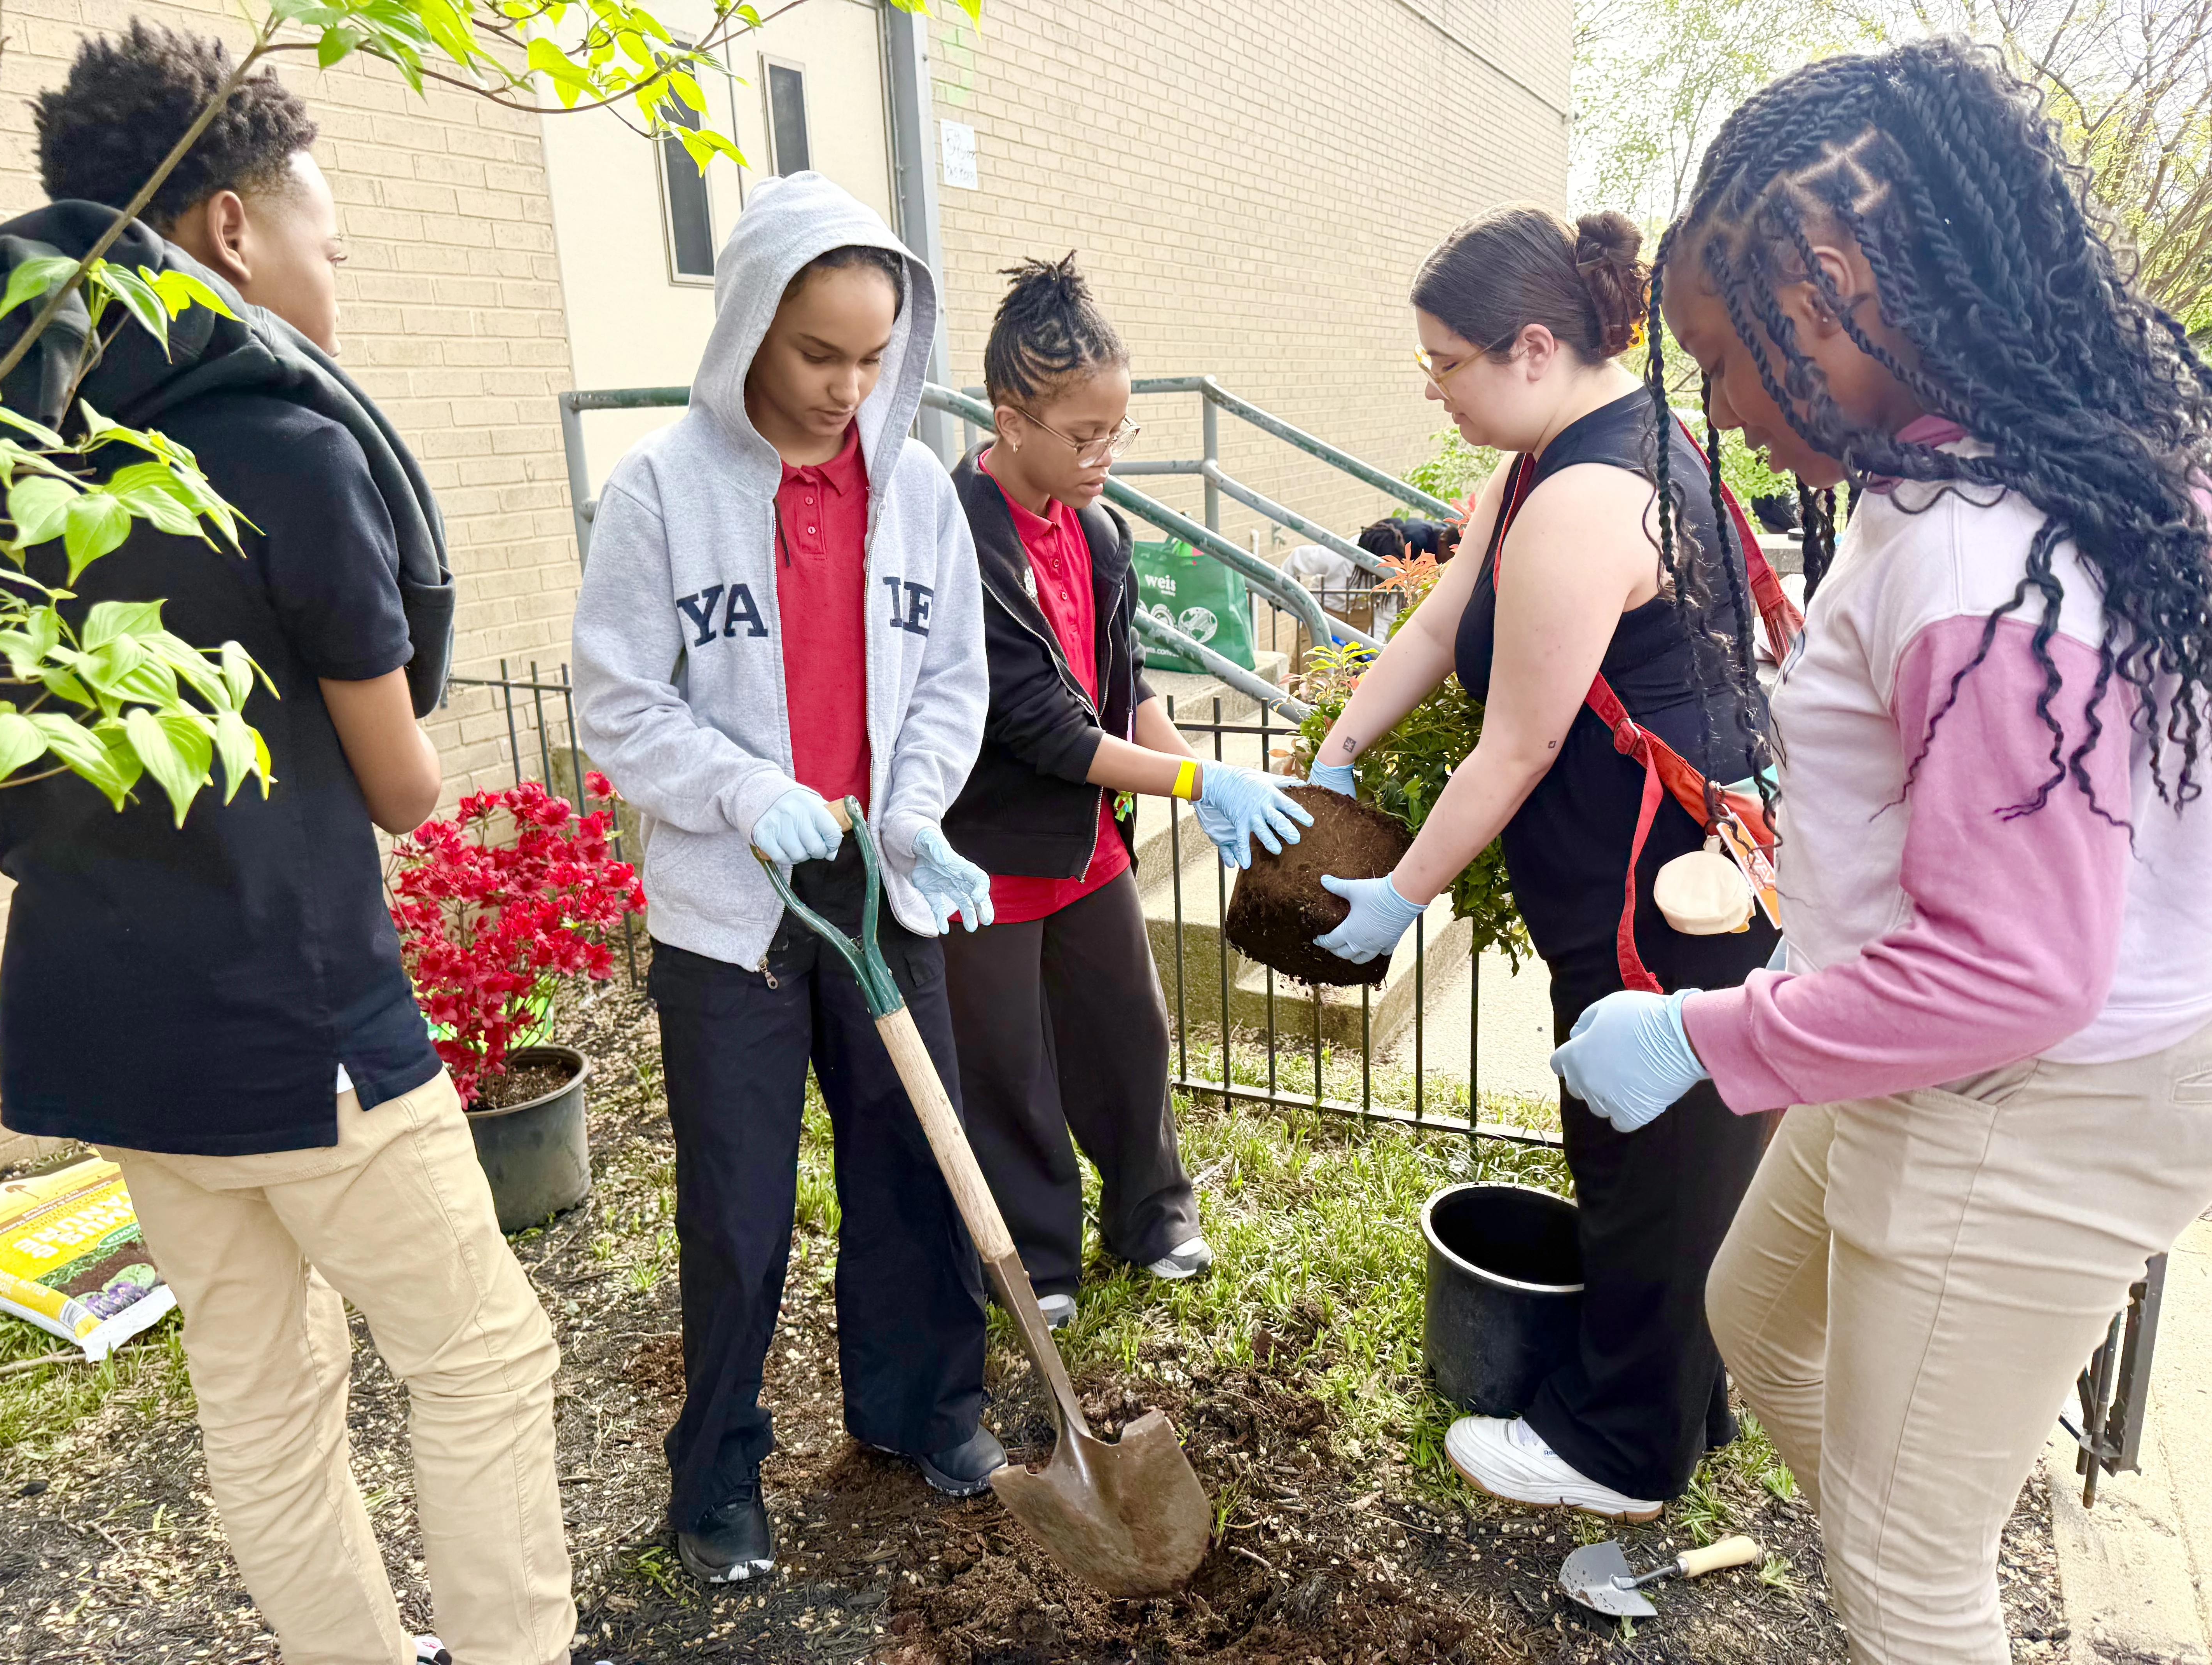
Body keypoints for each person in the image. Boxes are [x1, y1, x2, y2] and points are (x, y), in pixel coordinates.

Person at [1551, 40, 2212, 1662]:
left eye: (1728, 358)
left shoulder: (1982, 554)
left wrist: (1705, 1030)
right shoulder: (2007, 471)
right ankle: (1912, 1552)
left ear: (1834, 289)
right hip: (1932, 1050)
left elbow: (2018, 968)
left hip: (2030, 1091)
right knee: (1763, 1325)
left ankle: (1915, 1595)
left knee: (1910, 1581)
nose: (1722, 408)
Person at [0, 26, 575, 1665]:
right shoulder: (287, 448)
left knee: (259, 1390)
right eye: (329, 233)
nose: (345, 269)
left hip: (99, 1025)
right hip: (298, 1021)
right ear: (230, 232)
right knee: (480, 1360)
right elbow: (402, 791)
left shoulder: (14, 455)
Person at [1305, 206, 1780, 1520]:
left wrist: (1400, 898)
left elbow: (1513, 749)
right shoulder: (1535, 470)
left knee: (1654, 1174)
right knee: (1655, 1158)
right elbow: (1441, 620)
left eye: (1444, 365)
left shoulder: (1585, 499)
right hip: (1632, 886)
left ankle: (1624, 1450)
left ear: (1527, 347)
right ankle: (1691, 1393)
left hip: (1668, 898)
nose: (1437, 391)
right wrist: (1336, 751)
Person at [571, 172, 1001, 1589]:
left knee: (918, 1169)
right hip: (730, 917)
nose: (848, 384)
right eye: (820, 351)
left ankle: (925, 1411)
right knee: (741, 1208)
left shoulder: (919, 487)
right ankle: (718, 1477)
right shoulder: (660, 493)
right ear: (752, 324)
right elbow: (620, 703)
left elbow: (948, 678)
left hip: (879, 893)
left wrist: (917, 809)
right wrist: (752, 794)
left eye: (875, 355)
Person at [940, 255, 1309, 1328]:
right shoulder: (959, 534)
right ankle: (1042, 1255)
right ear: (1012, 420)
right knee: (1008, 1065)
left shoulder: (1099, 532)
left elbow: (1124, 693)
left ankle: (1150, 1215)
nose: (1105, 456)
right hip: (984, 844)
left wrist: (1199, 773)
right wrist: (1198, 774)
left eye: (1119, 431)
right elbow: (1046, 729)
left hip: (1088, 841)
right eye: (1083, 435)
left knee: (1130, 1035)